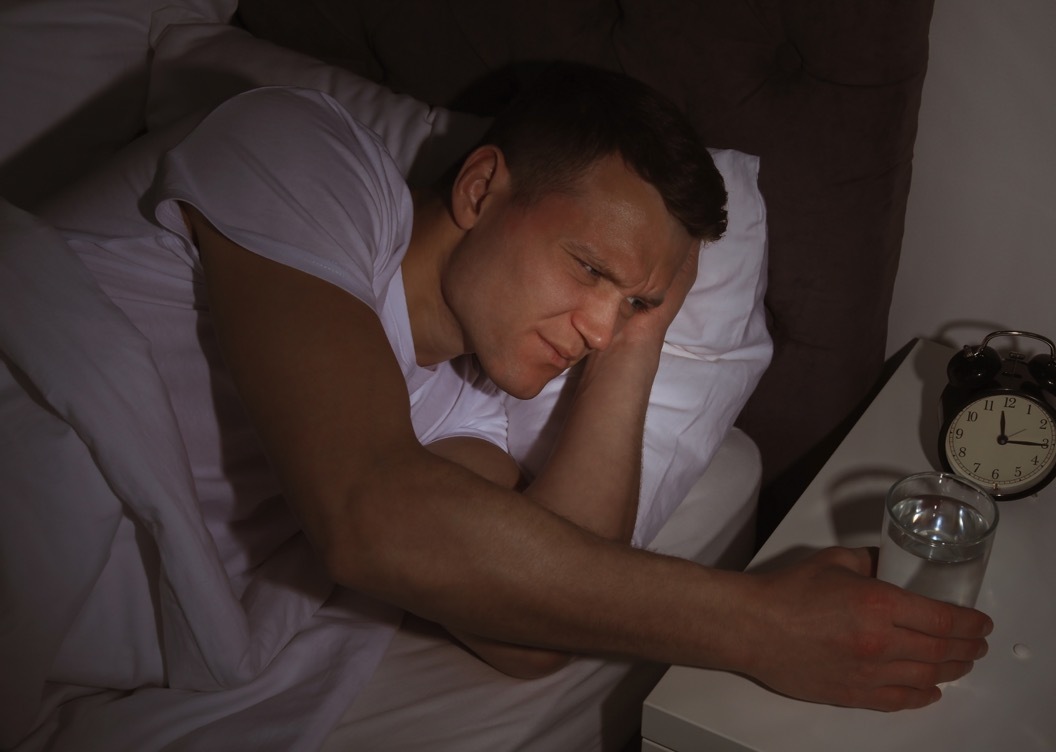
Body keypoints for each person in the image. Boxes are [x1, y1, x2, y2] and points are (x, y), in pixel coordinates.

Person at [117, 63, 993, 710]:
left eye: (635, 305)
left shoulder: (467, 421)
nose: (600, 330)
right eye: (587, 267)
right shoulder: (308, 156)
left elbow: (533, 630)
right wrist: (760, 626)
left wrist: (643, 329)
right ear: (482, 185)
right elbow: (365, 511)